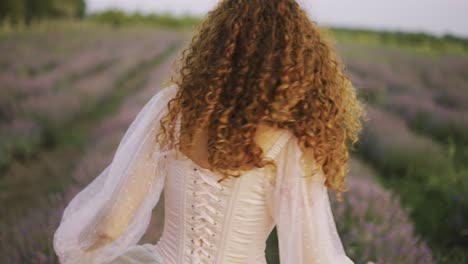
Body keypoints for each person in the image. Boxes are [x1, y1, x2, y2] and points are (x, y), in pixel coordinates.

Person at [53, 0, 366, 263]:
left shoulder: (174, 108)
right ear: (293, 61)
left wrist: (78, 250)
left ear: (218, 46)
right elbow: (311, 256)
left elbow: (110, 226)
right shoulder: (290, 143)